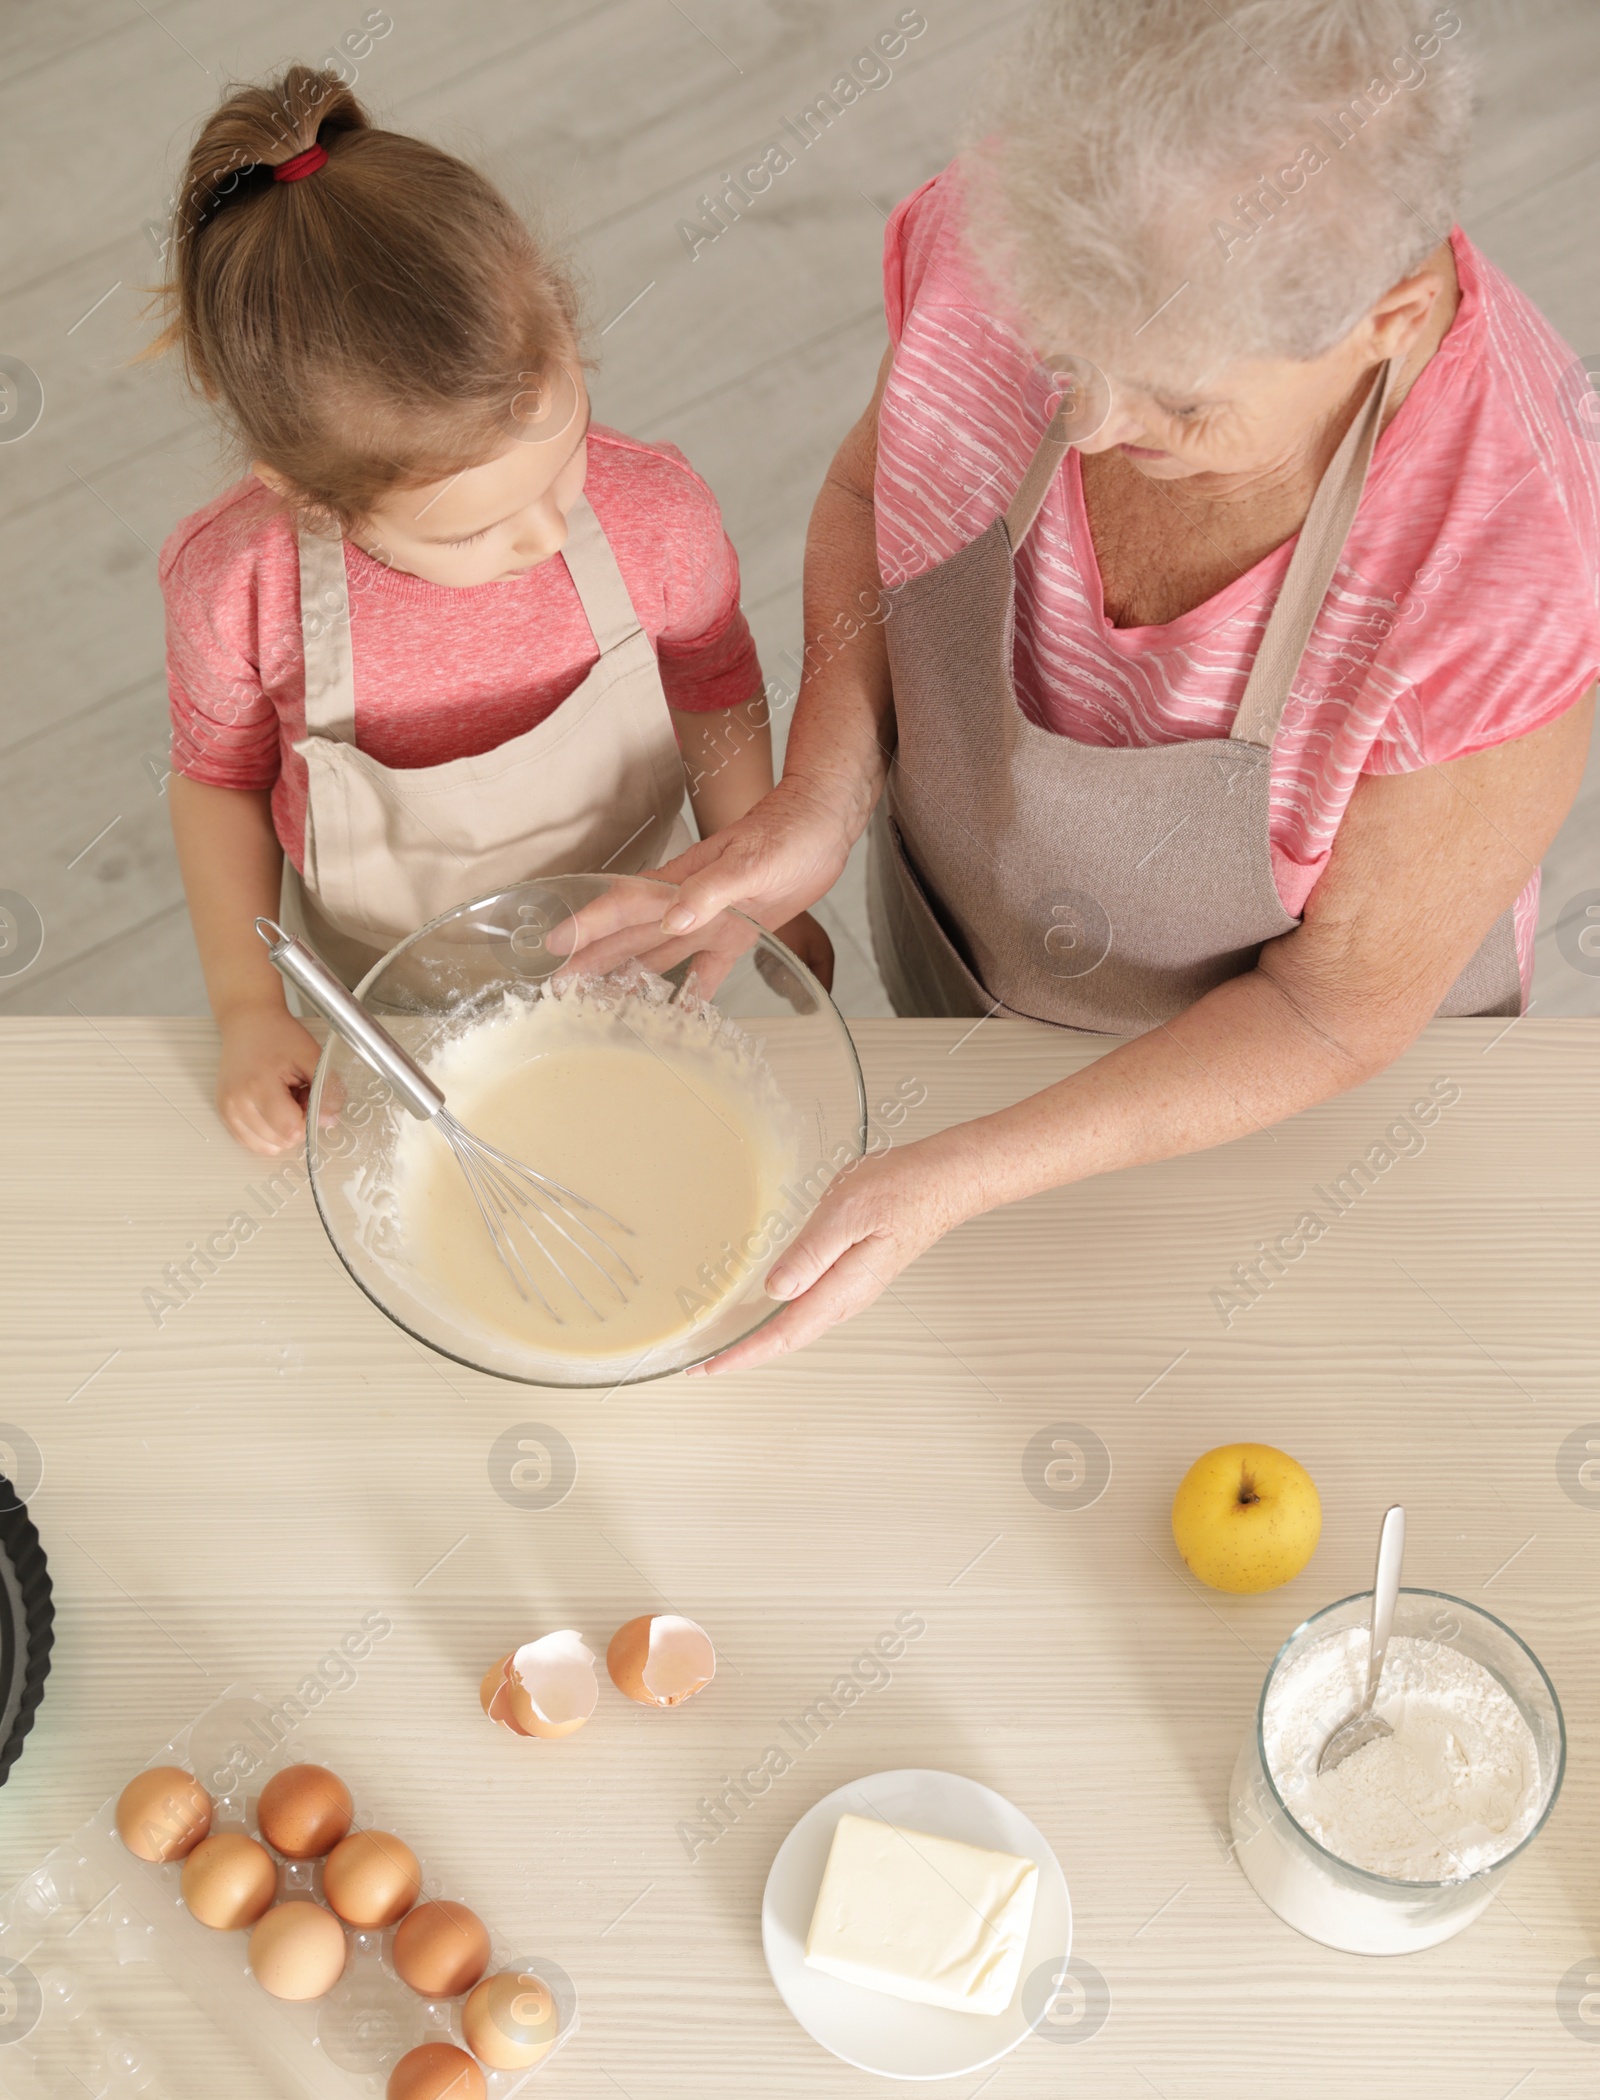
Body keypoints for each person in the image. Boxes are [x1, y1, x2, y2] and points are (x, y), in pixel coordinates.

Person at [564, 0, 1600, 1377]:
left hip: (1287, 1116)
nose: (1097, 423)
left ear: (1386, 318)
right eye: (1065, 357)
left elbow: (1329, 1013)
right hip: (974, 964)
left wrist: (956, 1176)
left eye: (1177, 401)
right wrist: (819, 791)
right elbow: (880, 489)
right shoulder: (1046, 229)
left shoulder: (1512, 563)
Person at [153, 66, 830, 1157]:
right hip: (389, 992)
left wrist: (752, 872)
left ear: (560, 326)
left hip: (634, 945)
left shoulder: (653, 516)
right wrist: (246, 1009)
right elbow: (219, 786)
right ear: (311, 493)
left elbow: (712, 683)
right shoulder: (241, 585)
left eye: (560, 470)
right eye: (474, 530)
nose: (549, 537)